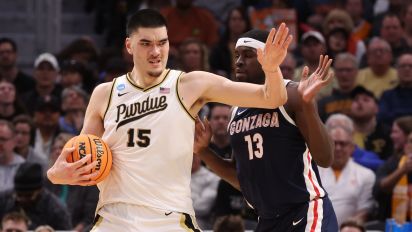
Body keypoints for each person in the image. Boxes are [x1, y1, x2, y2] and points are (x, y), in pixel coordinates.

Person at [47, 9, 291, 231]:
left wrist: (272, 69)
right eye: (146, 43)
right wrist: (56, 174)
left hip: (170, 218)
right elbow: (80, 155)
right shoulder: (104, 94)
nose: (155, 52)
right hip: (114, 217)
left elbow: (272, 98)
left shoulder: (190, 84)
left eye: (162, 43)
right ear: (129, 45)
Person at [194, 29, 338, 231]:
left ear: (269, 59)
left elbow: (326, 158)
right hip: (268, 219)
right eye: (237, 55)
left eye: (248, 55)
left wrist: (307, 105)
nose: (239, 61)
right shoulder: (236, 109)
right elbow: (241, 178)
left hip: (305, 211)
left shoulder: (292, 95)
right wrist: (202, 151)